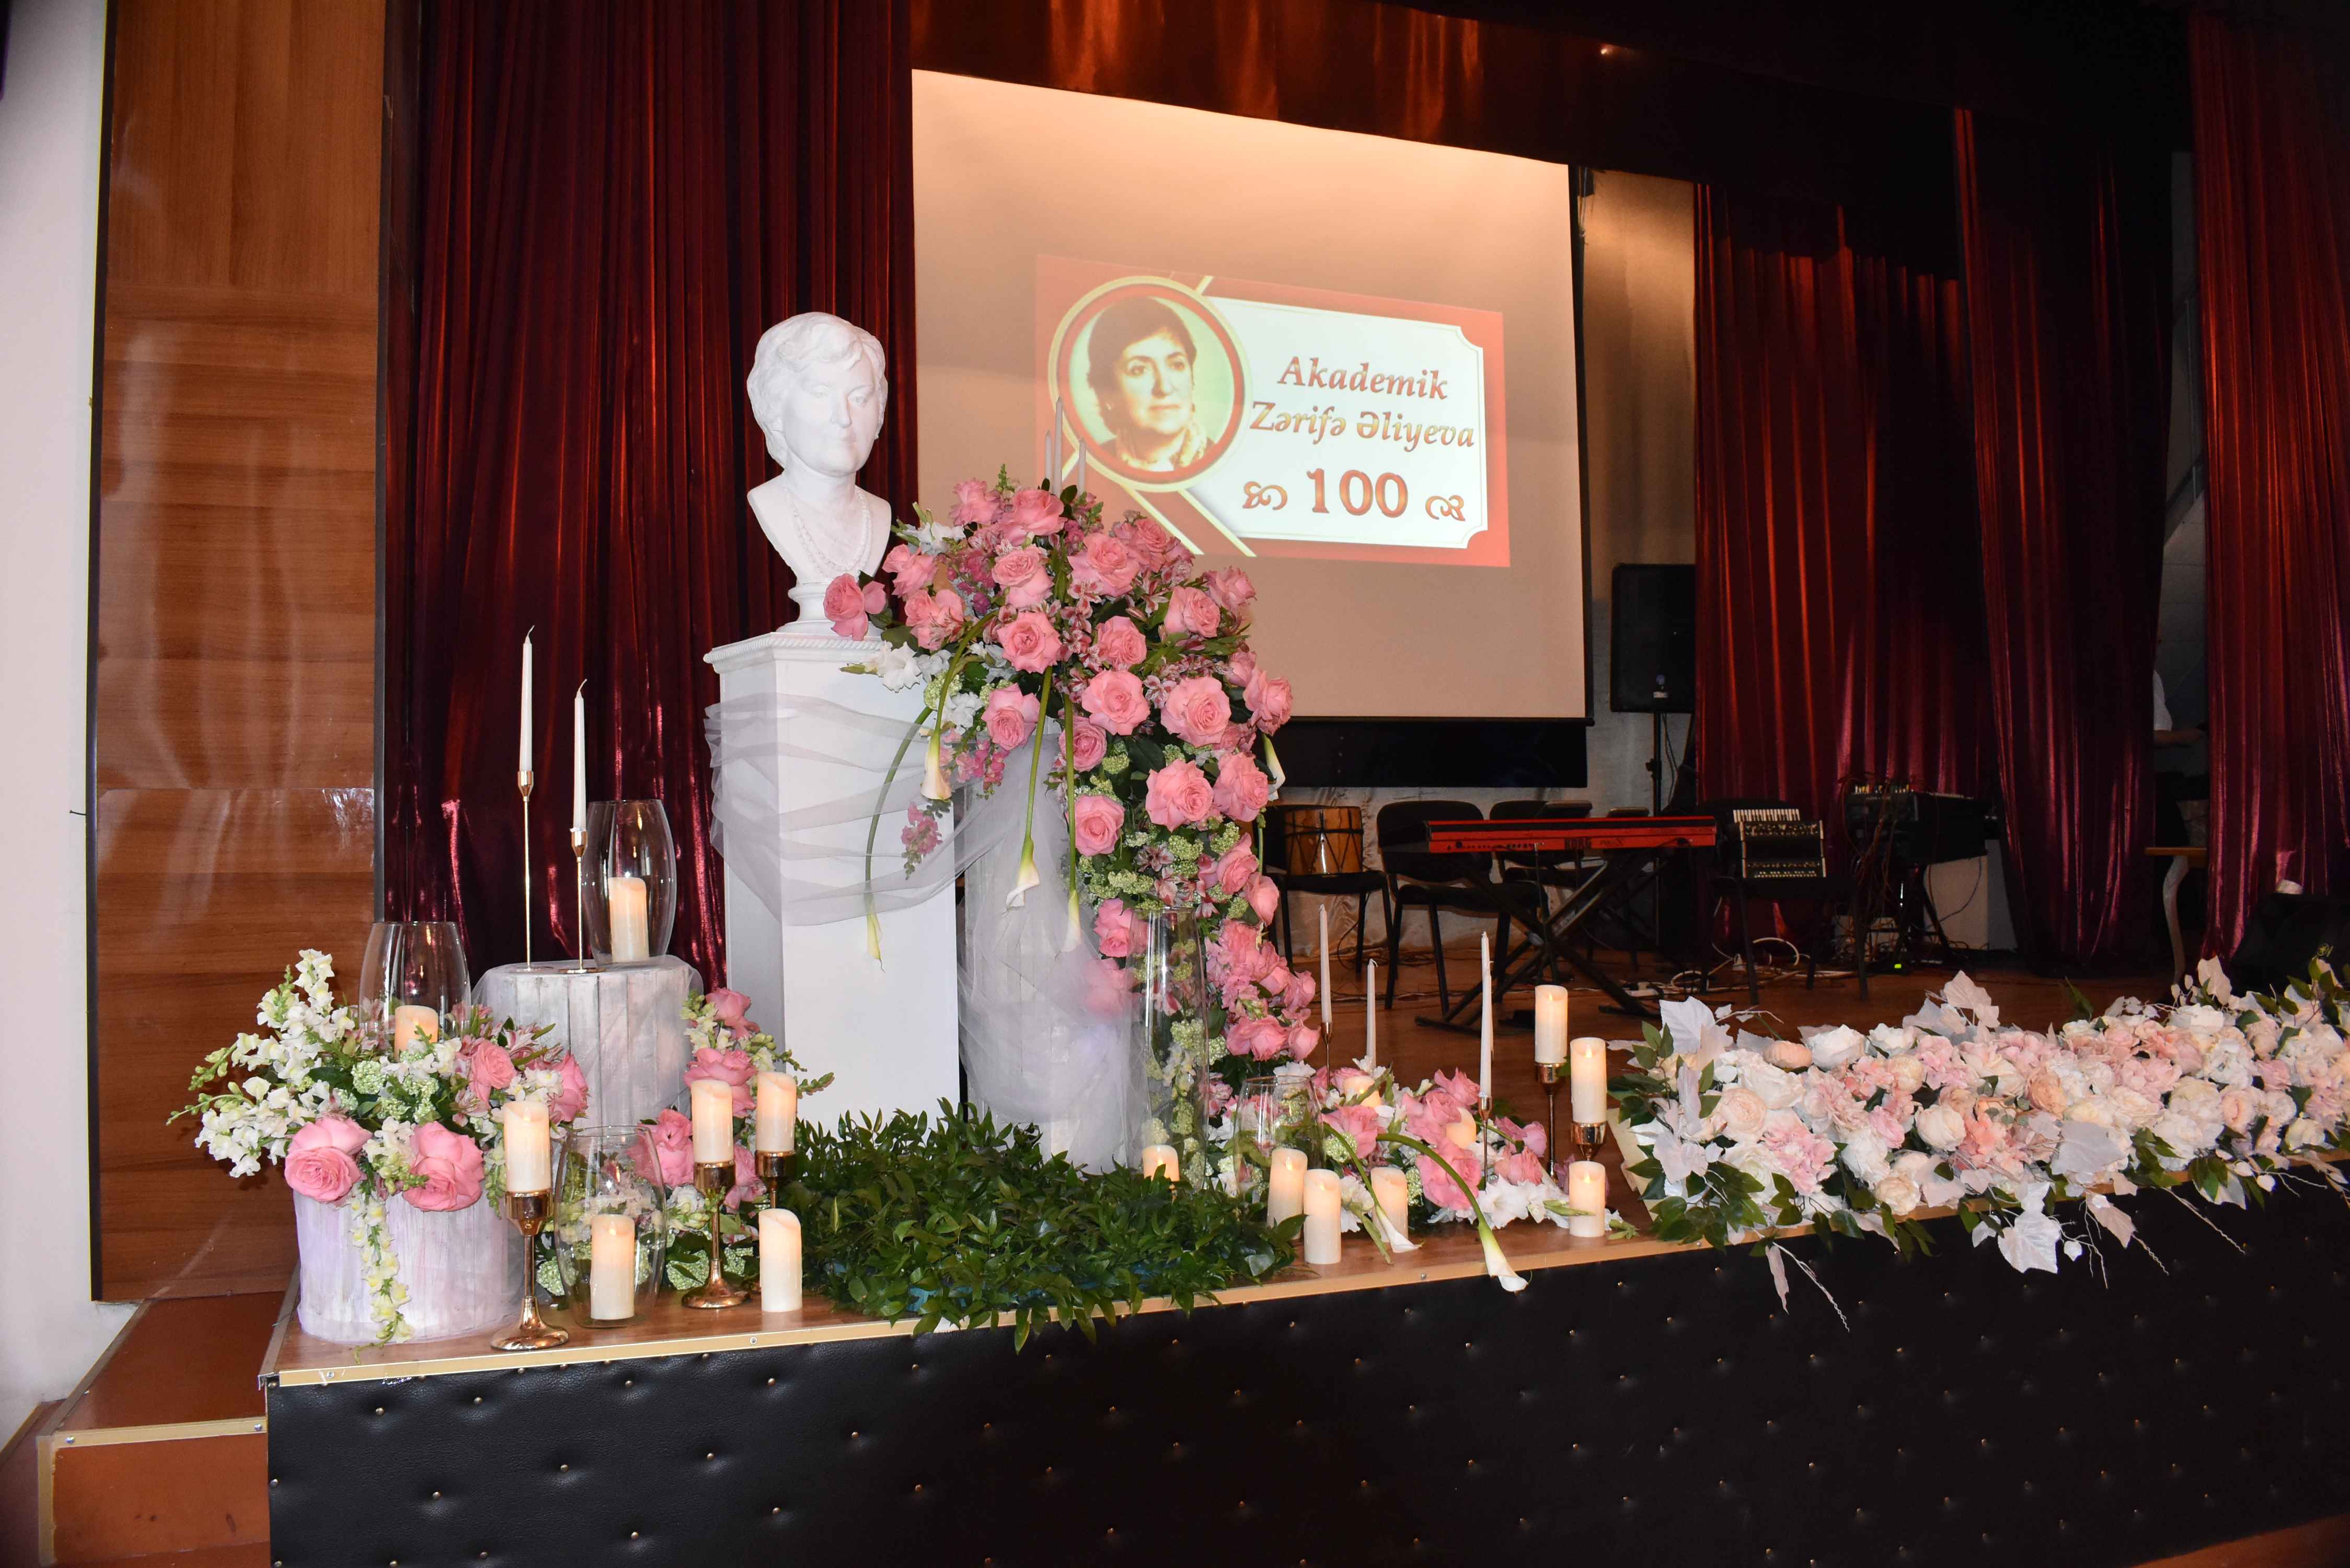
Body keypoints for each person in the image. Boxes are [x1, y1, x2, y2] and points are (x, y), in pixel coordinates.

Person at [1086, 295, 1211, 472]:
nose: (1165, 387)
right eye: (1139, 370)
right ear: (1107, 392)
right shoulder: (1084, 468)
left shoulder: (1232, 463)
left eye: (1177, 365)